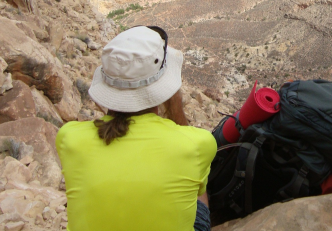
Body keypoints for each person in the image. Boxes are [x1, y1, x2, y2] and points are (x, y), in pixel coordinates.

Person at [56, 25, 217, 231]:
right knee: (197, 193)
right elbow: (192, 181)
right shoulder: (196, 144)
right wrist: (173, 101)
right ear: (164, 87)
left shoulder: (69, 138)